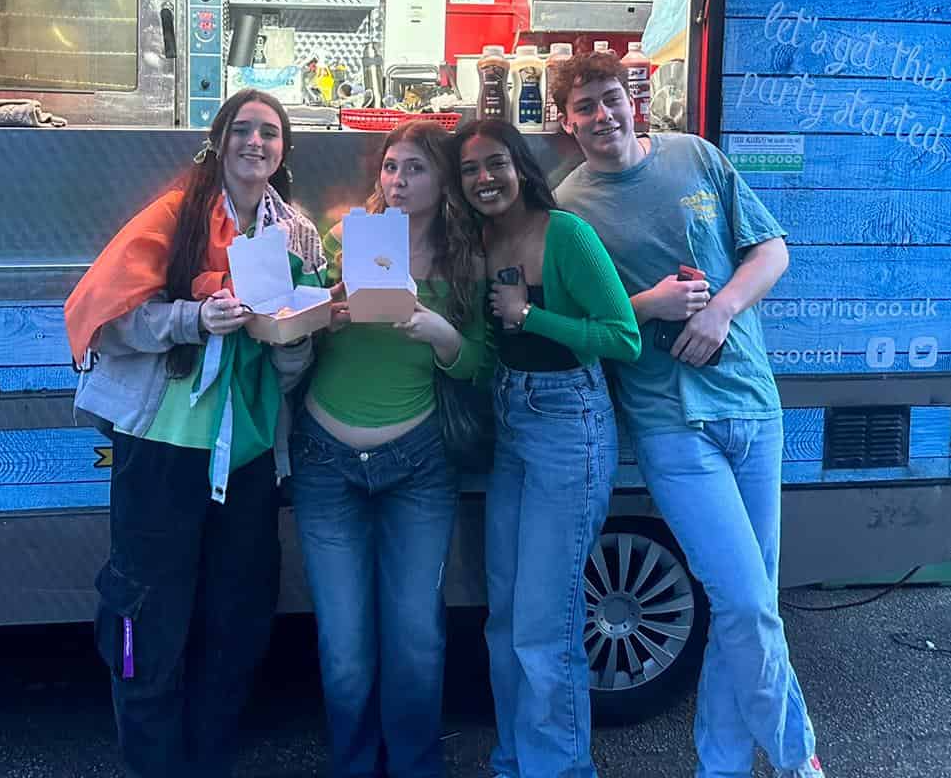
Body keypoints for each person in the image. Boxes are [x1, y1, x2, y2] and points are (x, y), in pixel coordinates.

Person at [550, 51, 825, 778]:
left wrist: (724, 310)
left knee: (749, 606)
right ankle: (801, 757)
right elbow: (575, 323)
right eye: (585, 107)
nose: (603, 116)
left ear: (631, 99)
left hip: (753, 405)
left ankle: (723, 766)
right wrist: (653, 306)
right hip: (670, 419)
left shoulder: (695, 156)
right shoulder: (570, 208)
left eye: (611, 99)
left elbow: (770, 252)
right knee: (742, 600)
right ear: (565, 121)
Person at [62, 89, 326, 778]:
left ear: (284, 151)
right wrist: (192, 320)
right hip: (161, 452)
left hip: (248, 458)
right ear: (219, 140)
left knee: (236, 626)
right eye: (243, 129)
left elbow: (292, 370)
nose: (256, 143)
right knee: (147, 623)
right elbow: (110, 321)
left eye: (270, 133)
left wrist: (291, 334)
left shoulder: (296, 235)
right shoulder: (173, 219)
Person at [291, 120, 489, 778]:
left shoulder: (466, 258)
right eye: (391, 167)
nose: (399, 181)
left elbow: (478, 365)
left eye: (416, 169)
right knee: (344, 645)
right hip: (326, 460)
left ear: (444, 182)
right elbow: (293, 324)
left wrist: (441, 334)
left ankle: (413, 766)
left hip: (418, 463)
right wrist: (324, 308)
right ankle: (352, 765)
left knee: (415, 639)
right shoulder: (348, 236)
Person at [455, 118, 640, 778]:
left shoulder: (566, 234)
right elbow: (483, 352)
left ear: (521, 167)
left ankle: (561, 770)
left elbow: (623, 337)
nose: (484, 178)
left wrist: (532, 314)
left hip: (570, 425)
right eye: (471, 168)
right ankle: (515, 764)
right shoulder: (479, 241)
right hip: (512, 422)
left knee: (544, 626)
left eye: (496, 163)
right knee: (503, 623)